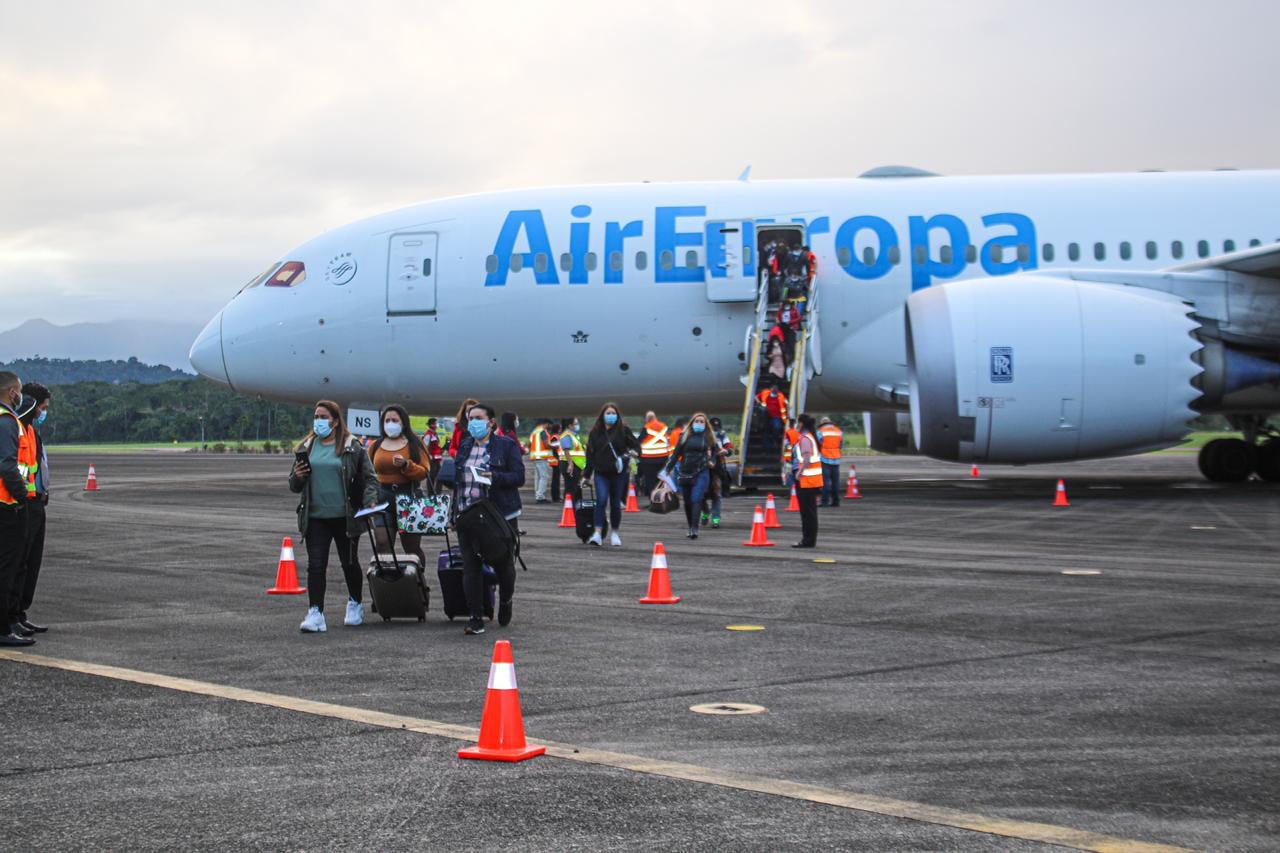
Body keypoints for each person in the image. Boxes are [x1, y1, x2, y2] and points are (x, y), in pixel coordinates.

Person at [288, 400, 379, 633]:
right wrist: (297, 477)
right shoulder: (307, 446)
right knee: (315, 565)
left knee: (349, 562)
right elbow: (294, 486)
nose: (318, 421)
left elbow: (370, 477)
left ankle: (355, 603)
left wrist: (370, 499)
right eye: (316, 416)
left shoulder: (352, 446)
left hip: (345, 516)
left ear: (336, 421)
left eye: (323, 417)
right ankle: (315, 612)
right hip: (316, 516)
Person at [451, 402, 524, 635]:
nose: (473, 422)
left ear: (491, 422)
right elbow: (458, 483)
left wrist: (495, 476)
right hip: (468, 514)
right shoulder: (464, 446)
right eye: (470, 418)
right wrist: (454, 513)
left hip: (498, 514)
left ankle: (505, 600)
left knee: (503, 564)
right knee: (470, 566)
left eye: (478, 418)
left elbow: (518, 476)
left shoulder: (506, 446)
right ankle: (475, 616)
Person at [369, 404, 431, 568]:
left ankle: (418, 581)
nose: (390, 423)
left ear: (403, 423)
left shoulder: (414, 443)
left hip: (408, 498)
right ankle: (387, 581)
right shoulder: (376, 445)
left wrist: (407, 465)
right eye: (387, 420)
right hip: (383, 497)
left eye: (394, 420)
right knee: (382, 543)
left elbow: (424, 472)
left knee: (411, 548)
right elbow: (367, 473)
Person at [0, 372, 35, 646]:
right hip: (7, 505)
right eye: (19, 391)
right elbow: (7, 465)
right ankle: (3, 629)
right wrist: (23, 495)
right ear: (12, 392)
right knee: (7, 569)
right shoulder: (7, 421)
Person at [14, 384, 51, 635]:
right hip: (22, 502)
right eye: (43, 407)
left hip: (37, 500)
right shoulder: (17, 428)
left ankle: (20, 612)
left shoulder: (32, 431)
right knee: (19, 562)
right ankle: (11, 615)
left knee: (31, 562)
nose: (44, 412)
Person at [584, 402, 640, 547]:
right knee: (601, 500)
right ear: (602, 415)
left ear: (618, 415)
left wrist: (635, 452)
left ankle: (614, 532)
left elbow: (636, 445)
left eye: (613, 413)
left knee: (615, 503)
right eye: (608, 413)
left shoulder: (624, 430)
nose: (611, 416)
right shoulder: (595, 432)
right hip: (601, 473)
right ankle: (597, 533)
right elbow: (590, 455)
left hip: (618, 474)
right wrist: (586, 476)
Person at [664, 413, 720, 539]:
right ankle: (690, 526)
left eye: (702, 422)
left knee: (696, 498)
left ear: (705, 425)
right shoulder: (684, 436)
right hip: (685, 472)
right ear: (692, 423)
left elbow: (715, 451)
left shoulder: (708, 437)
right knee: (688, 502)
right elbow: (675, 454)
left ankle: (695, 528)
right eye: (697, 421)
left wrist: (712, 461)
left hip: (701, 471)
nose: (699, 424)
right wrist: (667, 469)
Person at [789, 414, 823, 548]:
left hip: (806, 481)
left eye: (798, 422)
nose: (796, 425)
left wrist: (799, 472)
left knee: (807, 513)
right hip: (811, 480)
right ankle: (809, 539)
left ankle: (807, 540)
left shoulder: (805, 439)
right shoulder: (810, 437)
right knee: (810, 512)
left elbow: (807, 458)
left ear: (801, 424)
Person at [700, 416, 732, 528]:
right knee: (700, 494)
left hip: (717, 467)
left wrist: (726, 451)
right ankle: (705, 512)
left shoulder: (722, 434)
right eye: (713, 427)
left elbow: (729, 447)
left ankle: (715, 519)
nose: (714, 430)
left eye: (716, 427)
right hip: (702, 467)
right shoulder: (701, 435)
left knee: (716, 494)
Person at [637, 411, 671, 499]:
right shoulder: (664, 426)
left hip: (648, 459)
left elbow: (638, 441)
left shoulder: (646, 427)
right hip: (663, 458)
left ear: (647, 419)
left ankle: (653, 500)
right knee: (659, 479)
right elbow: (667, 440)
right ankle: (660, 498)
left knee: (650, 480)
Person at [817, 417, 844, 507]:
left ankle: (825, 502)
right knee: (835, 482)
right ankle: (836, 501)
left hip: (825, 458)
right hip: (836, 459)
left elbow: (818, 444)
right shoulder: (838, 431)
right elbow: (841, 445)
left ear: (822, 423)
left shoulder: (821, 431)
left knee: (825, 482)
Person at [558, 416, 586, 504]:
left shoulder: (573, 435)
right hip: (570, 464)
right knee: (571, 488)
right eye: (576, 423)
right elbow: (566, 449)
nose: (577, 425)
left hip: (575, 464)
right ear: (570, 425)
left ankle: (573, 508)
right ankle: (569, 508)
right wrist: (570, 464)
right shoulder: (566, 435)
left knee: (574, 487)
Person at [528, 418, 555, 503]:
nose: (551, 427)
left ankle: (538, 495)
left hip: (535, 457)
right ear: (546, 424)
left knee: (538, 477)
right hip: (542, 457)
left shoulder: (534, 432)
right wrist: (556, 446)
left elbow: (530, 444)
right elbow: (547, 445)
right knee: (544, 477)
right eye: (550, 425)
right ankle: (540, 497)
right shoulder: (543, 431)